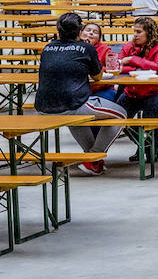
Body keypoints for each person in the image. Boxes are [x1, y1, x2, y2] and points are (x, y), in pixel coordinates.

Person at [36, 12, 125, 175]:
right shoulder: (86, 48)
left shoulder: (47, 47)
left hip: (43, 106)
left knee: (75, 116)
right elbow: (97, 76)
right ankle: (92, 157)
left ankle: (94, 163)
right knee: (121, 114)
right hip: (73, 103)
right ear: (79, 32)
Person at [115, 17, 158, 162]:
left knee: (150, 114)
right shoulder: (128, 47)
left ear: (149, 32)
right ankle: (143, 144)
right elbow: (118, 67)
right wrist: (138, 65)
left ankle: (150, 151)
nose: (135, 35)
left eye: (138, 32)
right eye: (134, 31)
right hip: (134, 93)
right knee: (116, 116)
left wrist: (132, 60)